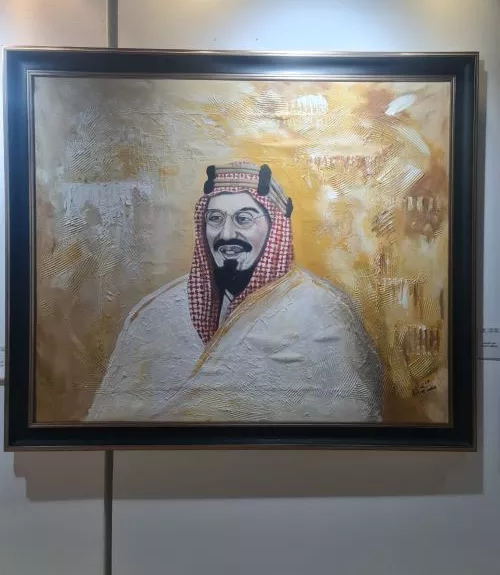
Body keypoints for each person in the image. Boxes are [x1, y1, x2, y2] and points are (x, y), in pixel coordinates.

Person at [87, 162, 382, 422]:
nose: (226, 234)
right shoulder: (158, 311)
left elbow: (348, 419)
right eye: (215, 219)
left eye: (244, 219)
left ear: (275, 227)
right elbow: (112, 417)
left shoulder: (324, 312)